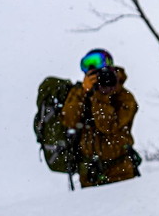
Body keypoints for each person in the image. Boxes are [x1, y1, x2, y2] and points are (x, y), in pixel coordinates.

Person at [60, 48, 140, 188]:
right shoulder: (79, 93)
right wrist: (83, 93)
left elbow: (108, 126)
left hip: (121, 172)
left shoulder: (125, 97)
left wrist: (101, 96)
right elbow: (68, 121)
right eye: (87, 64)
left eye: (97, 62)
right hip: (90, 174)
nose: (92, 68)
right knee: (94, 210)